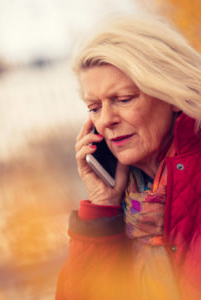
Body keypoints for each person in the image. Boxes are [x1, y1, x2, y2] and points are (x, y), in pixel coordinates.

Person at [56, 14, 201, 300]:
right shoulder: (124, 202)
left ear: (171, 95)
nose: (106, 120)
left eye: (123, 99)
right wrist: (102, 208)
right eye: (94, 107)